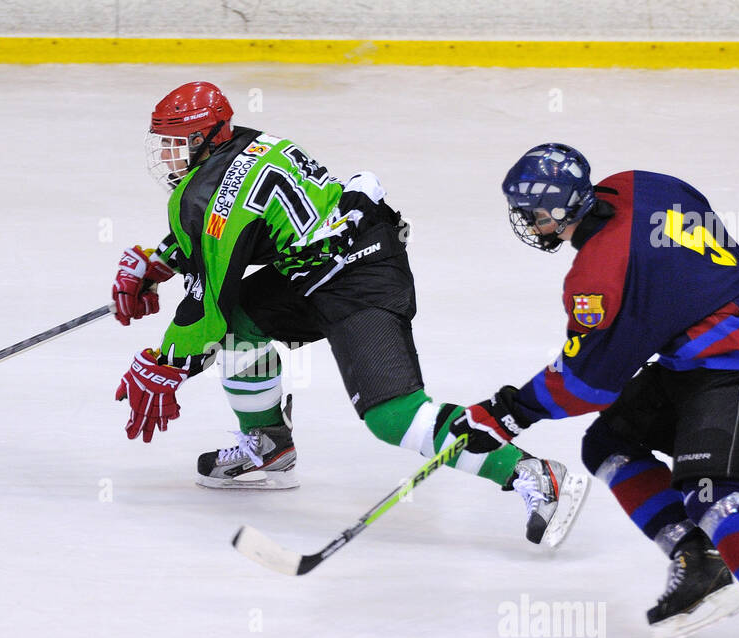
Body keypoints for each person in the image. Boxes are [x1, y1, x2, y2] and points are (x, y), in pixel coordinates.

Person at [110, 82, 588, 548]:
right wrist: (165, 259)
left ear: (206, 138)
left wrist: (165, 363)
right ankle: (269, 444)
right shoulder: (248, 144)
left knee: (393, 416)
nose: (167, 157)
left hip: (361, 274)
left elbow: (205, 302)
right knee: (239, 325)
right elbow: (228, 234)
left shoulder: (207, 195)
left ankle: (532, 473)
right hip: (321, 263)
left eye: (175, 144)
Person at [470, 143, 739, 638]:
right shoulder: (641, 183)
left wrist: (509, 412)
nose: (529, 222)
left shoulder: (596, 274)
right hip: (700, 350)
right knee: (608, 444)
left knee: (711, 492)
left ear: (560, 212)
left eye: (534, 213)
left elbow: (587, 383)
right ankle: (697, 560)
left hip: (737, 360)